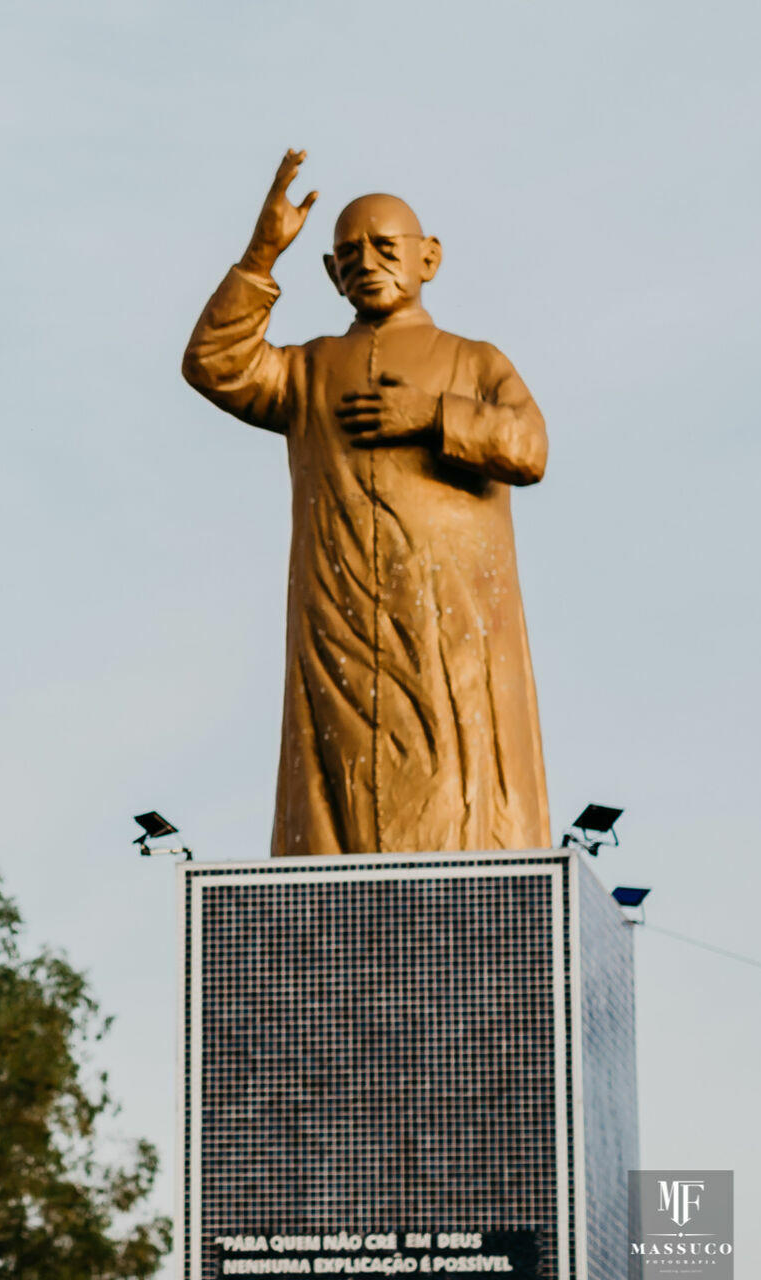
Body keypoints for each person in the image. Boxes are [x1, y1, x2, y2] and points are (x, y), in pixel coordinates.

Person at [181, 148, 550, 856]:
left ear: (429, 257)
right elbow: (215, 364)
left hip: (452, 620)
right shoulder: (308, 370)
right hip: (339, 620)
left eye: (386, 247)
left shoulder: (475, 363)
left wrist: (435, 416)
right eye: (348, 253)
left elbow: (528, 447)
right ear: (329, 272)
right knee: (335, 794)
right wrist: (261, 256)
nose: (367, 262)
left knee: (461, 789)